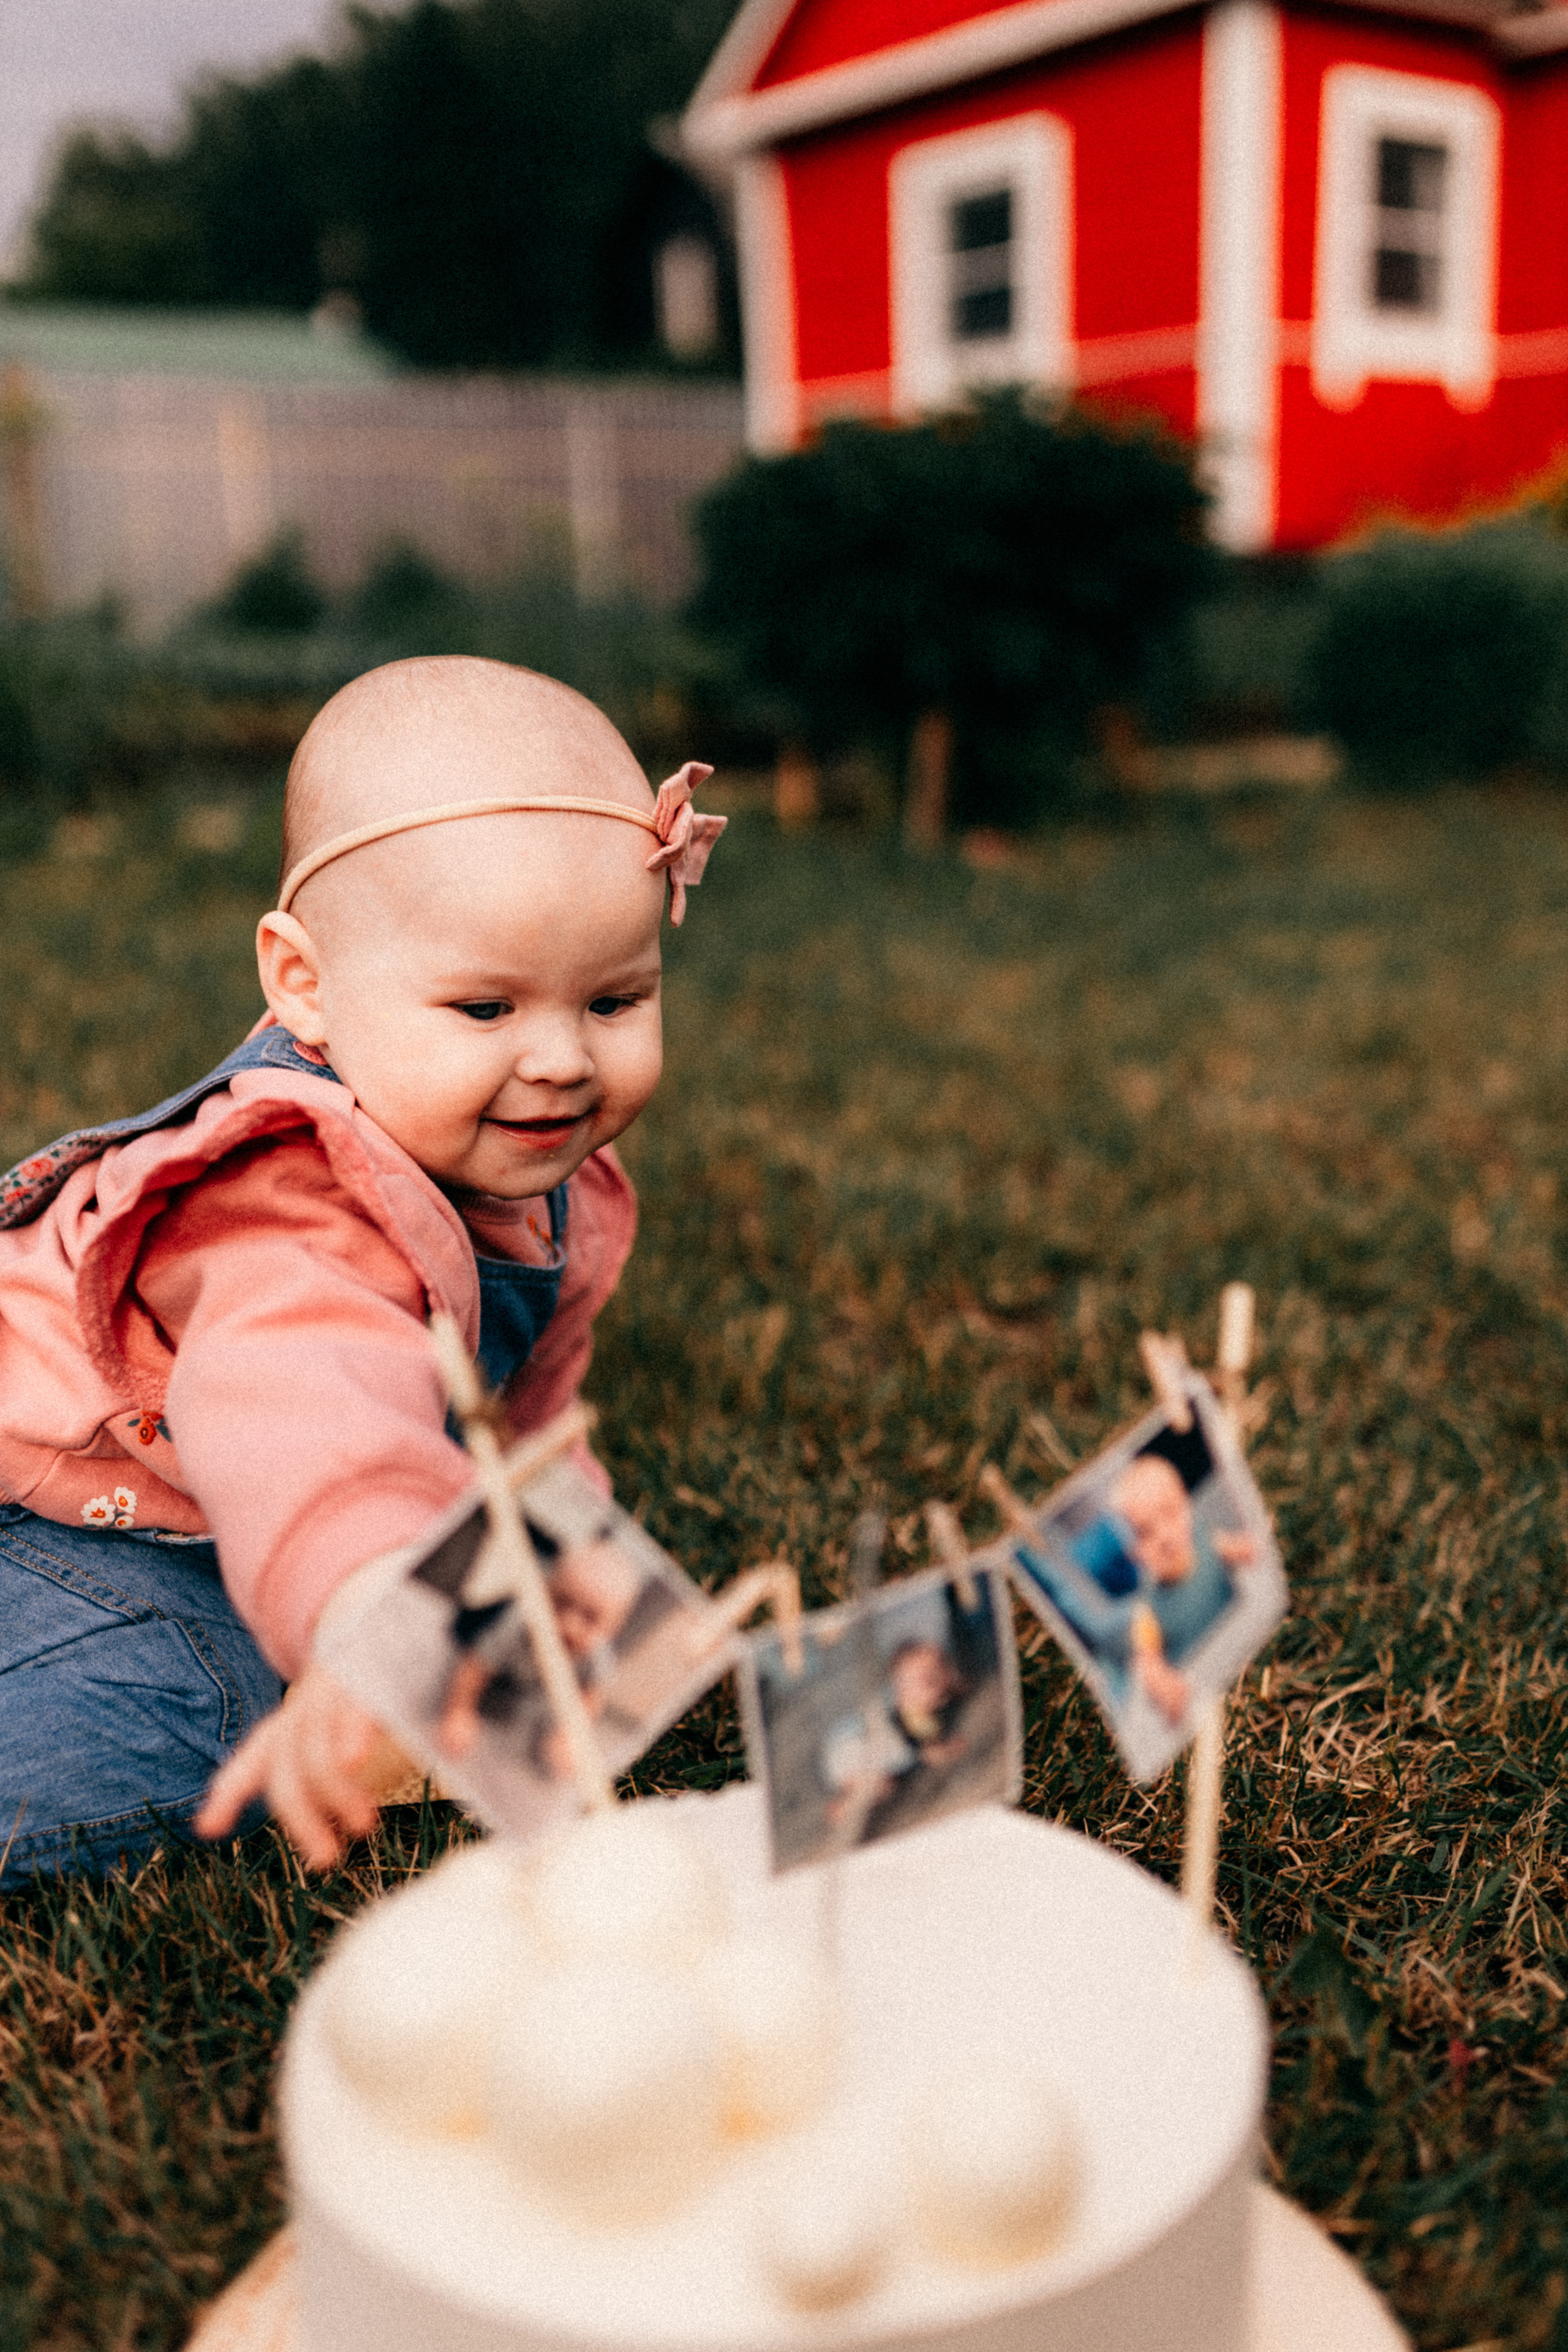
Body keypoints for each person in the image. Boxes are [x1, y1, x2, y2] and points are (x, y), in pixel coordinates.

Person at [0, 655, 723, 1880]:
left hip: (239, 1498)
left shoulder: (543, 1175)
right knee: (180, 1711)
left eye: (613, 1000)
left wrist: (565, 1572)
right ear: (305, 984)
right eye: (485, 1011)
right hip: (86, 1515)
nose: (557, 1061)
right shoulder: (295, 1201)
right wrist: (368, 1626)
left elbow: (519, 1418)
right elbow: (304, 1422)